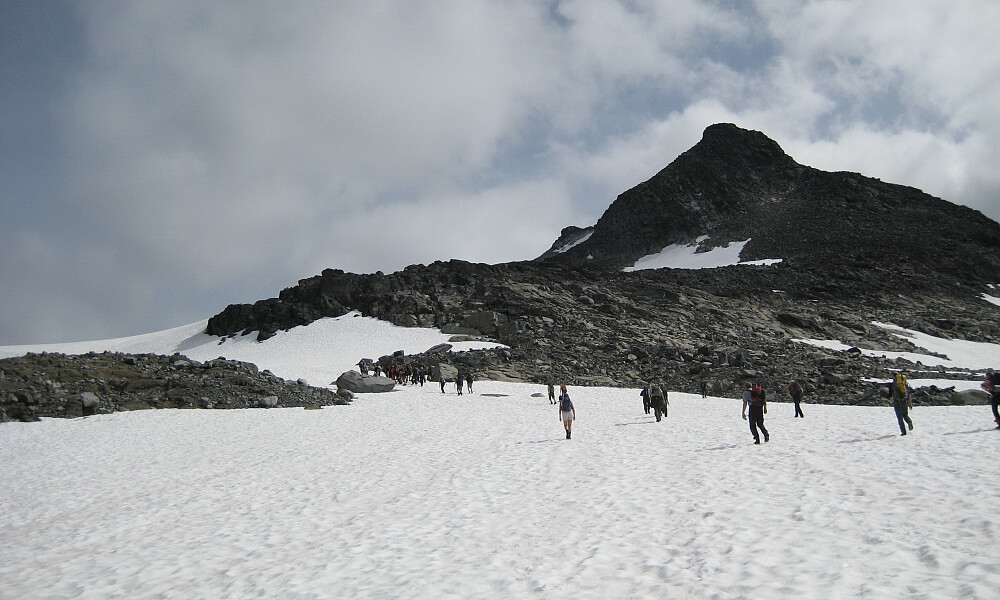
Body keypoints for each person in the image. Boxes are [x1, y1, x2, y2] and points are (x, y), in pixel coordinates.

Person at [890, 371, 914, 436]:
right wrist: (910, 403)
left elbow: (890, 395)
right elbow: (909, 394)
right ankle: (909, 422)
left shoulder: (893, 384)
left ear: (893, 376)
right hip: (904, 400)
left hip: (896, 401)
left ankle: (903, 432)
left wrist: (892, 400)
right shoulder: (905, 384)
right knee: (905, 414)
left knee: (899, 417)